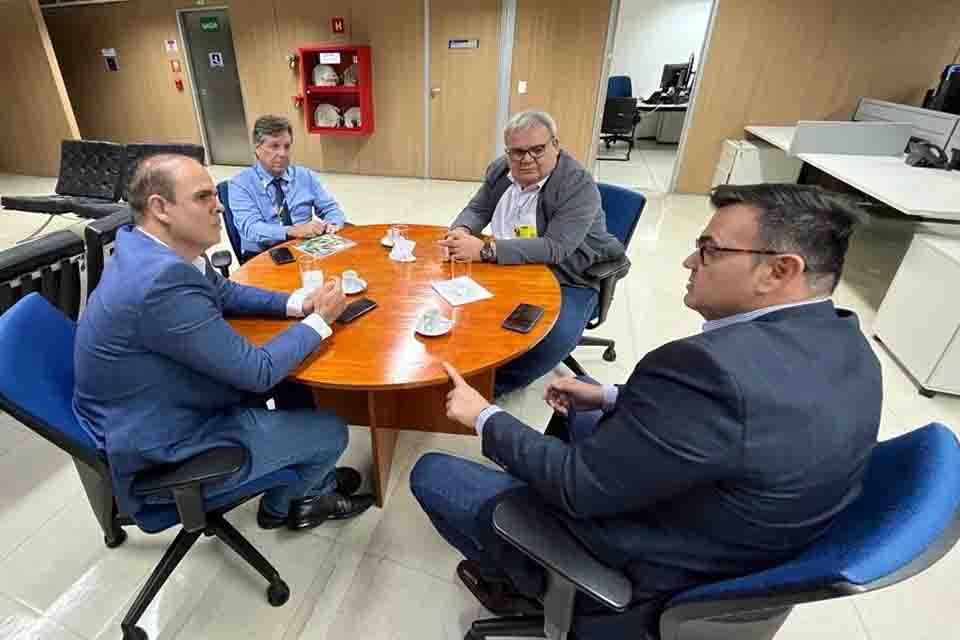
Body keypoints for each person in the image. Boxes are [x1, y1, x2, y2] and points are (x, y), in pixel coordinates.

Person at [412, 184, 882, 632]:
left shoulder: (711, 371)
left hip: (655, 567)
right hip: (734, 527)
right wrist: (611, 396)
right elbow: (735, 426)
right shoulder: (847, 340)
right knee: (585, 392)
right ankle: (533, 495)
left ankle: (527, 586)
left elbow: (577, 486)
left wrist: (483, 416)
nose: (689, 261)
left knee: (432, 473)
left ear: (779, 271)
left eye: (710, 250)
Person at [74, 154, 375, 531]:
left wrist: (298, 304)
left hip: (155, 399)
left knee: (295, 383)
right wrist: (321, 320)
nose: (219, 206)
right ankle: (287, 506)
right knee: (331, 430)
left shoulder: (150, 247)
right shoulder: (161, 285)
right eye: (203, 197)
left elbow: (224, 291)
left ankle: (313, 476)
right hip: (165, 445)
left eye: (215, 195)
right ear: (160, 208)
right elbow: (257, 373)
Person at [440, 110, 624, 396]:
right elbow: (478, 208)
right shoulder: (501, 170)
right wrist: (462, 231)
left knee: (553, 337)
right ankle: (460, 366)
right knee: (456, 301)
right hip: (511, 261)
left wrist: (486, 249)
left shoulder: (577, 184)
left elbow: (556, 247)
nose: (526, 159)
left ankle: (492, 388)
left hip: (570, 275)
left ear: (555, 145)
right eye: (517, 152)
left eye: (537, 149)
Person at [229, 115, 347, 262]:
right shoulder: (240, 184)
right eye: (274, 146)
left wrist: (333, 223)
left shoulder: (305, 176)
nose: (282, 154)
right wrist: (294, 231)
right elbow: (251, 229)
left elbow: (331, 209)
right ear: (257, 149)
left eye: (286, 146)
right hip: (263, 255)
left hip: (305, 248)